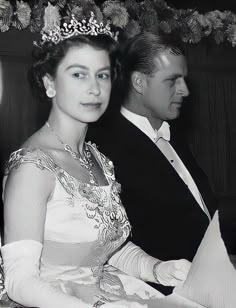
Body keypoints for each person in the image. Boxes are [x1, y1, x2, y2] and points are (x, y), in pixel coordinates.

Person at [0, 14, 191, 308]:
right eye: (79, 74)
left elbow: (106, 247)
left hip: (108, 290)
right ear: (49, 83)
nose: (94, 88)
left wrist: (157, 269)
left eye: (102, 75)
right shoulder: (32, 168)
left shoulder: (97, 158)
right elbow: (19, 283)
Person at [88, 31, 216, 294]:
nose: (185, 90)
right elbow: (112, 245)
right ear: (139, 82)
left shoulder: (172, 135)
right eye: (172, 80)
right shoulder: (103, 148)